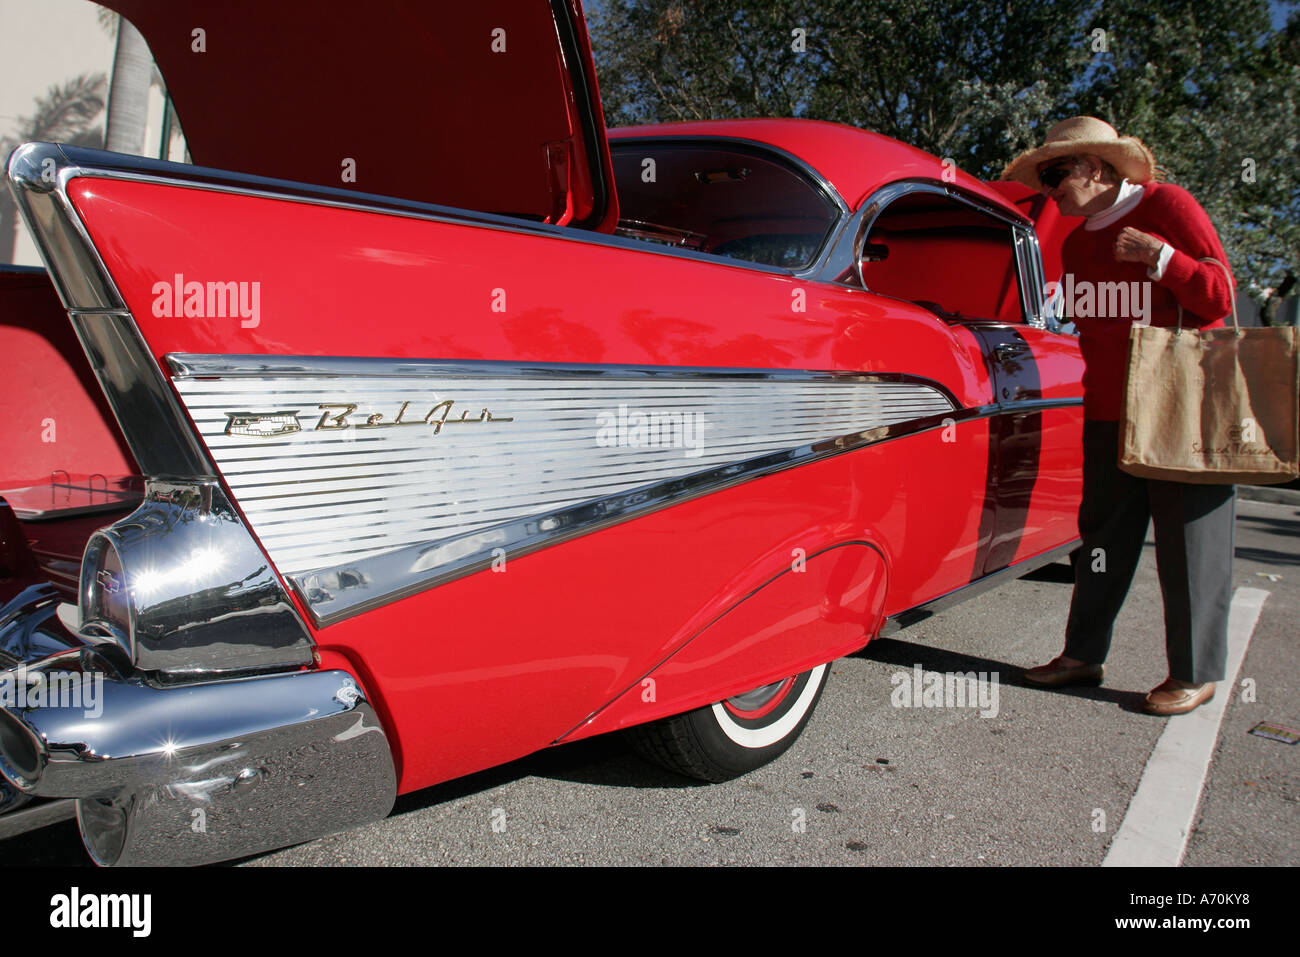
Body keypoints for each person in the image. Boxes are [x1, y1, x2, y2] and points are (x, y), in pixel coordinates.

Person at [1001, 116, 1236, 716]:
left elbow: (1218, 297)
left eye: (1057, 172)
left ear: (1096, 167)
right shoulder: (1078, 244)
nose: (1050, 188)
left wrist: (1163, 258)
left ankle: (1194, 672)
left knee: (1189, 542)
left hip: (1180, 408)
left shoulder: (1167, 207)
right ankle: (1082, 655)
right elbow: (1095, 332)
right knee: (1102, 538)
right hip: (1108, 409)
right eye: (1044, 176)